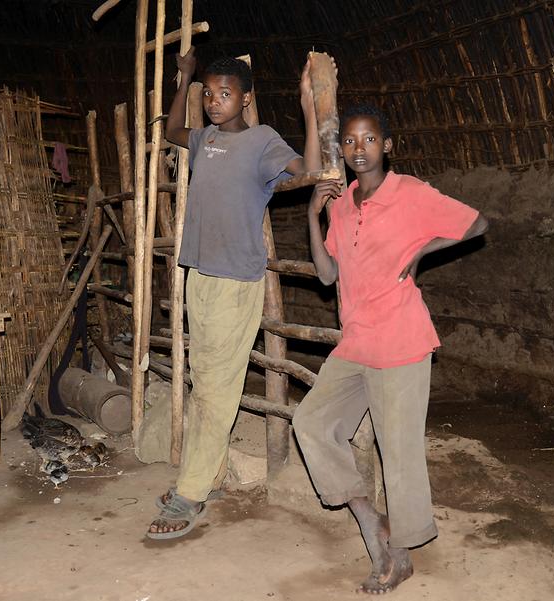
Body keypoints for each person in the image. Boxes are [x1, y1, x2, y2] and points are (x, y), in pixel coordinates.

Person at [292, 104, 488, 593]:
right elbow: (326, 274)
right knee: (311, 423)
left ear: (387, 145)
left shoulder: (411, 193)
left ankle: (398, 556)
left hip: (402, 341)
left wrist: (423, 249)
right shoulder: (341, 203)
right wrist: (313, 216)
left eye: (370, 140)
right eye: (351, 142)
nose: (360, 149)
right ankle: (369, 519)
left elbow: (478, 223)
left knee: (398, 453)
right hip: (357, 341)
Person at [146, 47, 322, 539]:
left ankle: (190, 495)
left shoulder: (262, 141)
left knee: (218, 391)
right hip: (200, 276)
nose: (215, 102)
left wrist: (307, 107)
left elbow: (306, 168)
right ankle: (213, 476)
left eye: (226, 94)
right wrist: (184, 80)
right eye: (210, 94)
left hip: (233, 283)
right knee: (206, 384)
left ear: (246, 99)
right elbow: (171, 132)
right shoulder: (204, 140)